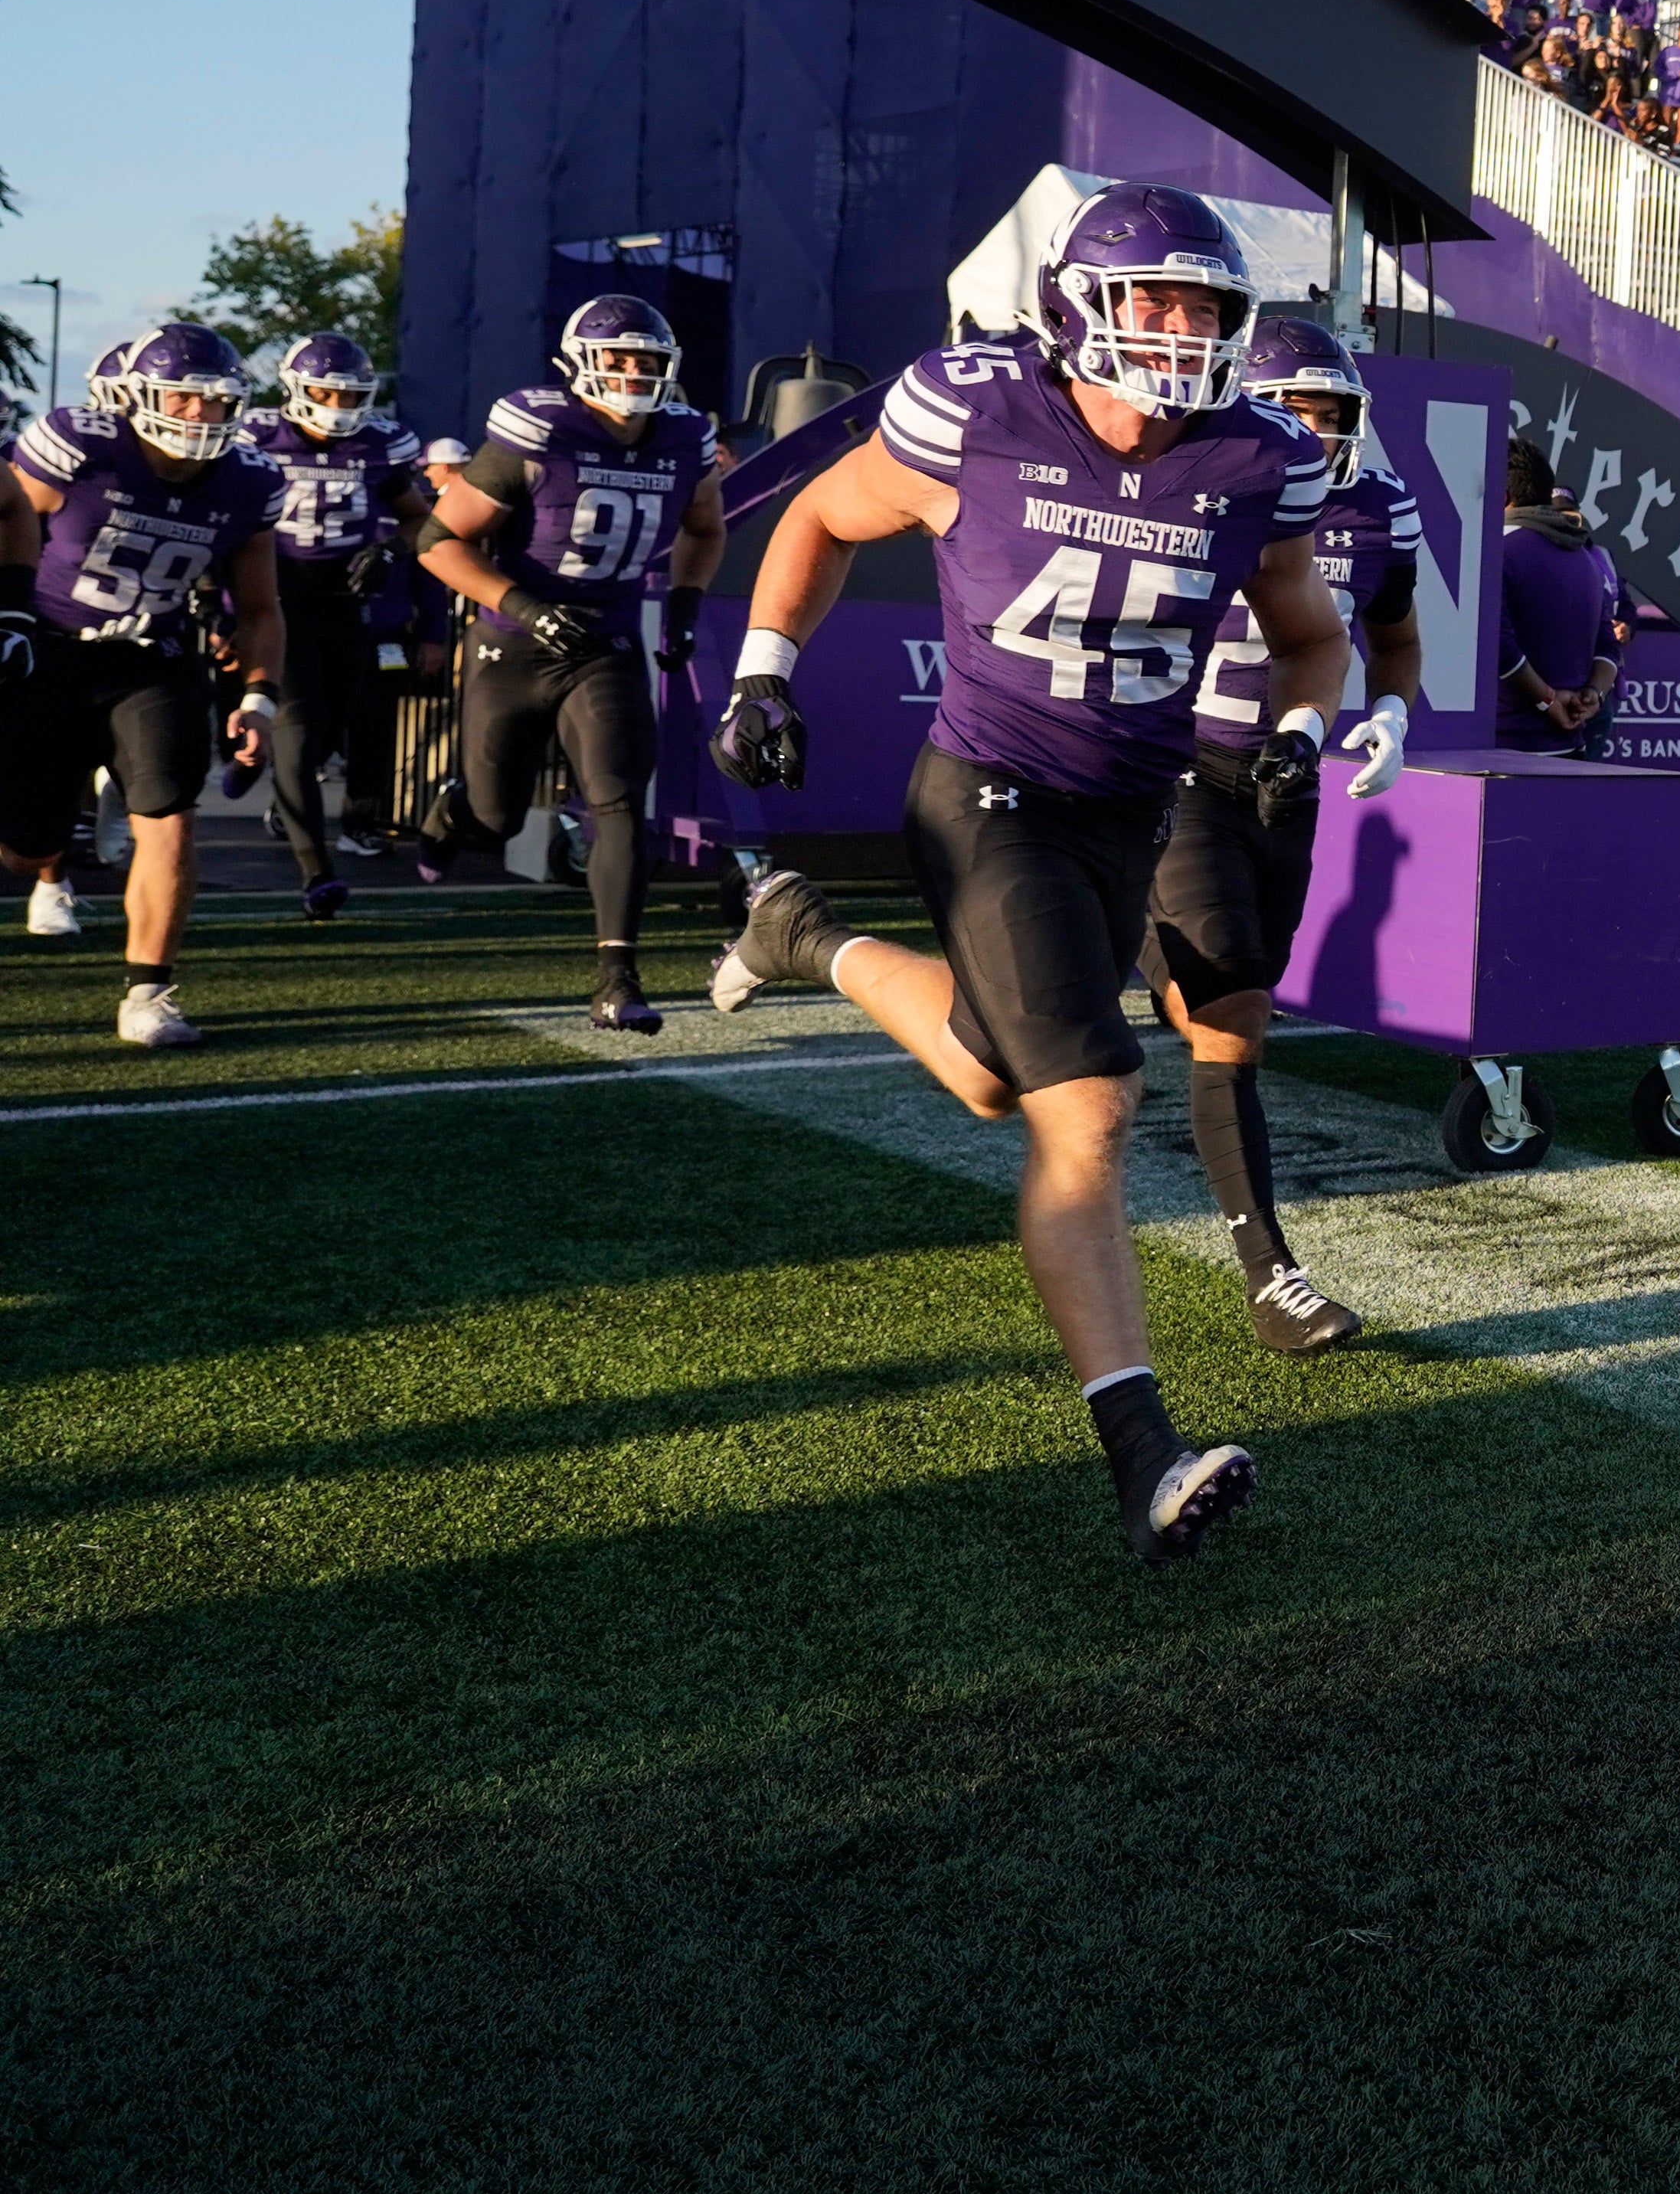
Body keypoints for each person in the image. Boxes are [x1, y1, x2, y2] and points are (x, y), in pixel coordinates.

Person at [704, 184, 1345, 1565]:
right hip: (990, 794)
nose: (1183, 331)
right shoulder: (975, 410)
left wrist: (1300, 731)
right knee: (1093, 1103)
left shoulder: (1254, 458)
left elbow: (1308, 632)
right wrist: (765, 670)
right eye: (1155, 300)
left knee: (997, 1074)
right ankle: (1142, 1456)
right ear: (1077, 308)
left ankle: (803, 933)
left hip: (1132, 808)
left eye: (1207, 306)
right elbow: (817, 517)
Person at [1146, 315, 1427, 1356]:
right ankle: (1272, 1277)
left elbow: (1394, 638)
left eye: (1329, 412)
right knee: (1233, 1021)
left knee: (1228, 999)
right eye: (1291, 410)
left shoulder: (1379, 504)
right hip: (1177, 767)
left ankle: (1130, 925)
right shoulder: (1194, 476)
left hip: (1287, 776)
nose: (1311, 430)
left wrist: (1391, 715)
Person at [415, 293, 726, 1031]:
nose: (630, 370)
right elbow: (437, 541)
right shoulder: (539, 428)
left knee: (619, 800)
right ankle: (455, 805)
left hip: (603, 642)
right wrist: (526, 607)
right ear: (578, 363)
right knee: (498, 818)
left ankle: (617, 978)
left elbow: (705, 528)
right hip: (513, 643)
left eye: (644, 359)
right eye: (615, 357)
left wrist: (683, 604)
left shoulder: (683, 436)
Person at [1, 325, 282, 1045]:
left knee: (169, 817)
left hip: (149, 661)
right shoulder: (82, 444)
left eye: (216, 404)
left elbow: (258, 606)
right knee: (26, 846)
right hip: (48, 652)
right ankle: (46, 865)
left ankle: (148, 993)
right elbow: (6, 523)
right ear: (138, 397)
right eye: (184, 401)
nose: (200, 417)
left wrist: (258, 696)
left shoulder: (250, 479)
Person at [235, 331, 427, 921]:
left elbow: (422, 521)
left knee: (328, 727)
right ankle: (317, 872)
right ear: (296, 388)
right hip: (278, 593)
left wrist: (392, 549)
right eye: (326, 392)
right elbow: (227, 524)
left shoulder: (380, 446)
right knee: (295, 728)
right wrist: (219, 605)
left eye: (350, 395)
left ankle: (264, 775)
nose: (339, 406)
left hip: (346, 600)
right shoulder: (258, 439)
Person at [1498, 439, 1623, 745]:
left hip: (1502, 751)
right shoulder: (1588, 560)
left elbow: (1497, 646)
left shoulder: (1494, 551)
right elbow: (1607, 646)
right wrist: (1594, 694)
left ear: (1502, 497)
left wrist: (1548, 700)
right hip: (1567, 749)